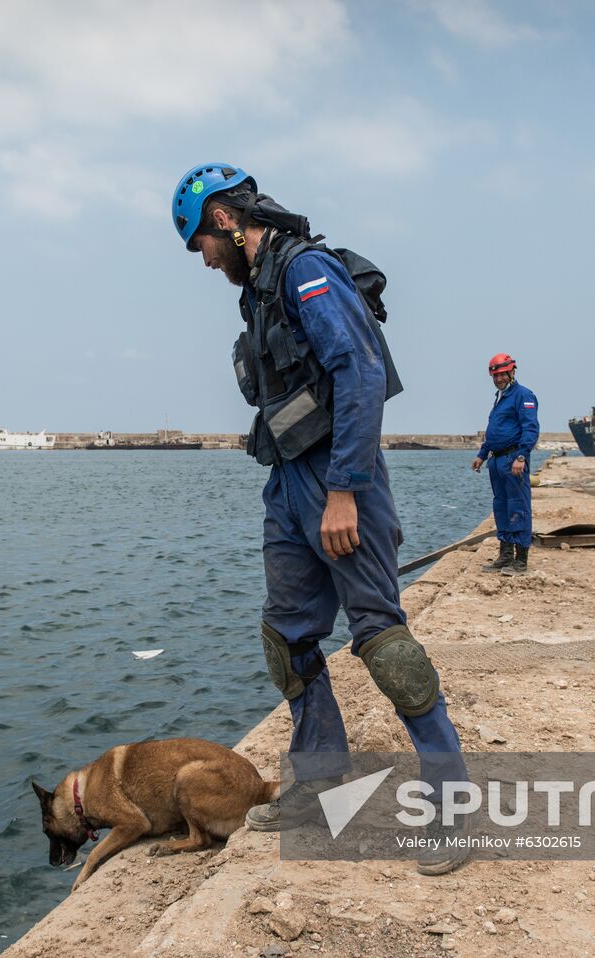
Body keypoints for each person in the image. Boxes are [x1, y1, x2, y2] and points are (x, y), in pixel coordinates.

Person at [172, 163, 468, 874]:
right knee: (287, 638)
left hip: (339, 478)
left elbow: (360, 375)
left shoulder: (306, 270)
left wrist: (344, 490)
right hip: (287, 482)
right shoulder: (260, 290)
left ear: (222, 220)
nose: (203, 261)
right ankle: (319, 780)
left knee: (382, 642)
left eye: (198, 244)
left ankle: (453, 808)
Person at [472, 354, 539, 576]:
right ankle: (506, 555)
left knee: (518, 507)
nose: (499, 379)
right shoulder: (501, 398)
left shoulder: (523, 395)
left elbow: (530, 428)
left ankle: (521, 560)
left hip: (512, 459)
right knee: (501, 507)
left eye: (502, 374)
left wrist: (521, 457)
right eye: (495, 375)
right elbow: (495, 430)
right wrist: (482, 454)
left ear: (512, 372)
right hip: (497, 460)